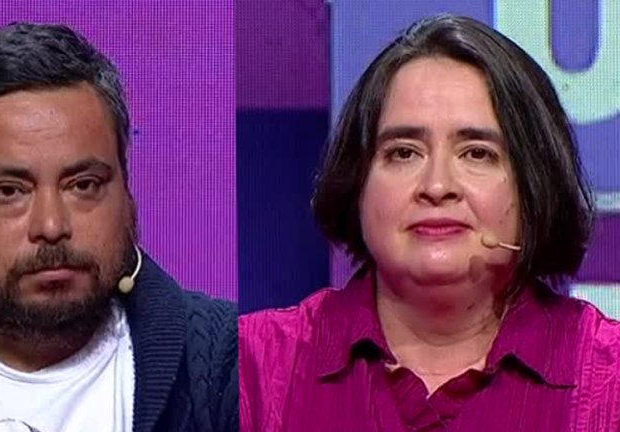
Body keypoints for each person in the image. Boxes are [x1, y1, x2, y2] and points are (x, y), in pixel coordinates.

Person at [239, 14, 620, 431]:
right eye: (404, 153)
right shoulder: (252, 371)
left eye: (477, 153)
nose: (437, 186)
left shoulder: (608, 381)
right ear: (357, 182)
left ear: (534, 183)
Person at [0, 22, 237, 432]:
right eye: (8, 191)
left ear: (127, 189)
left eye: (83, 185)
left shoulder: (230, 363)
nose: (52, 226)